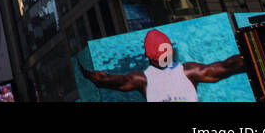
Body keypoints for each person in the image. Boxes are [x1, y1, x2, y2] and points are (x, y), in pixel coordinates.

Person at [79, 28, 246, 101]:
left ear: (147, 56)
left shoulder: (141, 80)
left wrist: (87, 72)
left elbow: (103, 81)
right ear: (171, 50)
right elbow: (229, 65)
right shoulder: (191, 71)